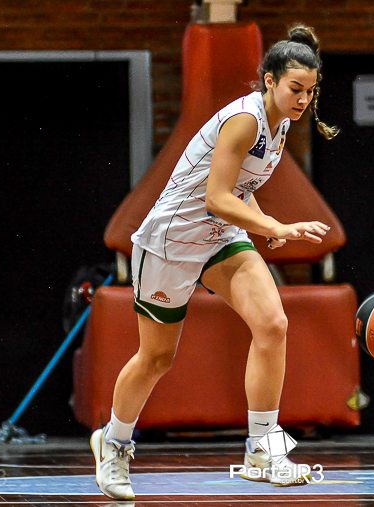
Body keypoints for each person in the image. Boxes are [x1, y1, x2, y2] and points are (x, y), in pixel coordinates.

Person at [89, 25, 338, 500]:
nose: (304, 100)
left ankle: (261, 450)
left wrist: (263, 223)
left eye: (310, 91)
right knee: (156, 358)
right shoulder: (244, 121)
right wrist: (276, 226)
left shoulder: (281, 125)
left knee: (273, 325)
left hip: (220, 237)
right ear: (269, 81)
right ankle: (113, 443)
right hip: (172, 242)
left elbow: (240, 191)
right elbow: (217, 197)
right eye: (296, 89)